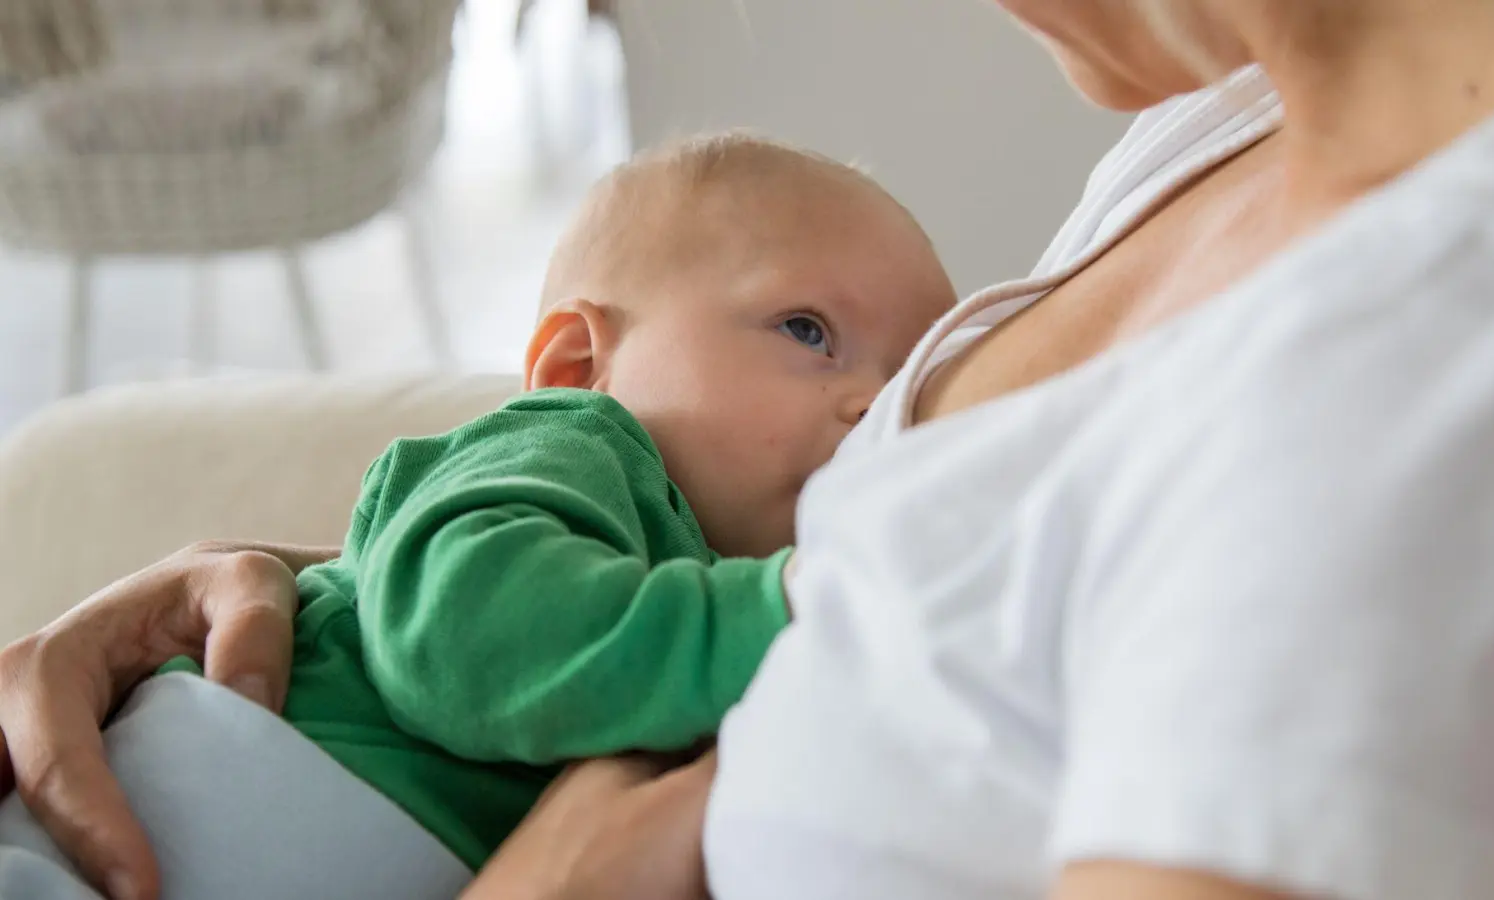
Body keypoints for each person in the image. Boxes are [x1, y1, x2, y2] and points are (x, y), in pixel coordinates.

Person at [5, 0, 1494, 899]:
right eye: (813, 339)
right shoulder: (1218, 126)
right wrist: (286, 584)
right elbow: (490, 616)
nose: (867, 407)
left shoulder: (1490, 348)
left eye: (890, 363)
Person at [0, 133, 955, 900]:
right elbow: (466, 630)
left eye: (914, 384)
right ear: (580, 363)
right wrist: (792, 609)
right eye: (808, 332)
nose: (875, 405)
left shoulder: (670, 583)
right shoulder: (573, 445)